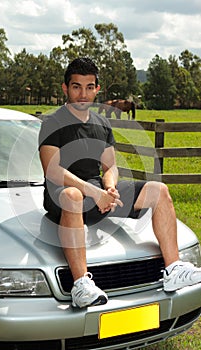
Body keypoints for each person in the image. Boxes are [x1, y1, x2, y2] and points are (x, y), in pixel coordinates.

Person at [39, 57, 201, 308]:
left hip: (97, 192)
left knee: (158, 190)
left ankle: (174, 269)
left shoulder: (102, 124)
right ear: (65, 88)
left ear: (97, 89)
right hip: (63, 194)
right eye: (76, 87)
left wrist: (110, 186)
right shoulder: (53, 122)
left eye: (89, 87)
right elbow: (52, 169)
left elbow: (110, 165)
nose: (83, 94)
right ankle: (81, 285)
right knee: (73, 195)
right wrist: (95, 192)